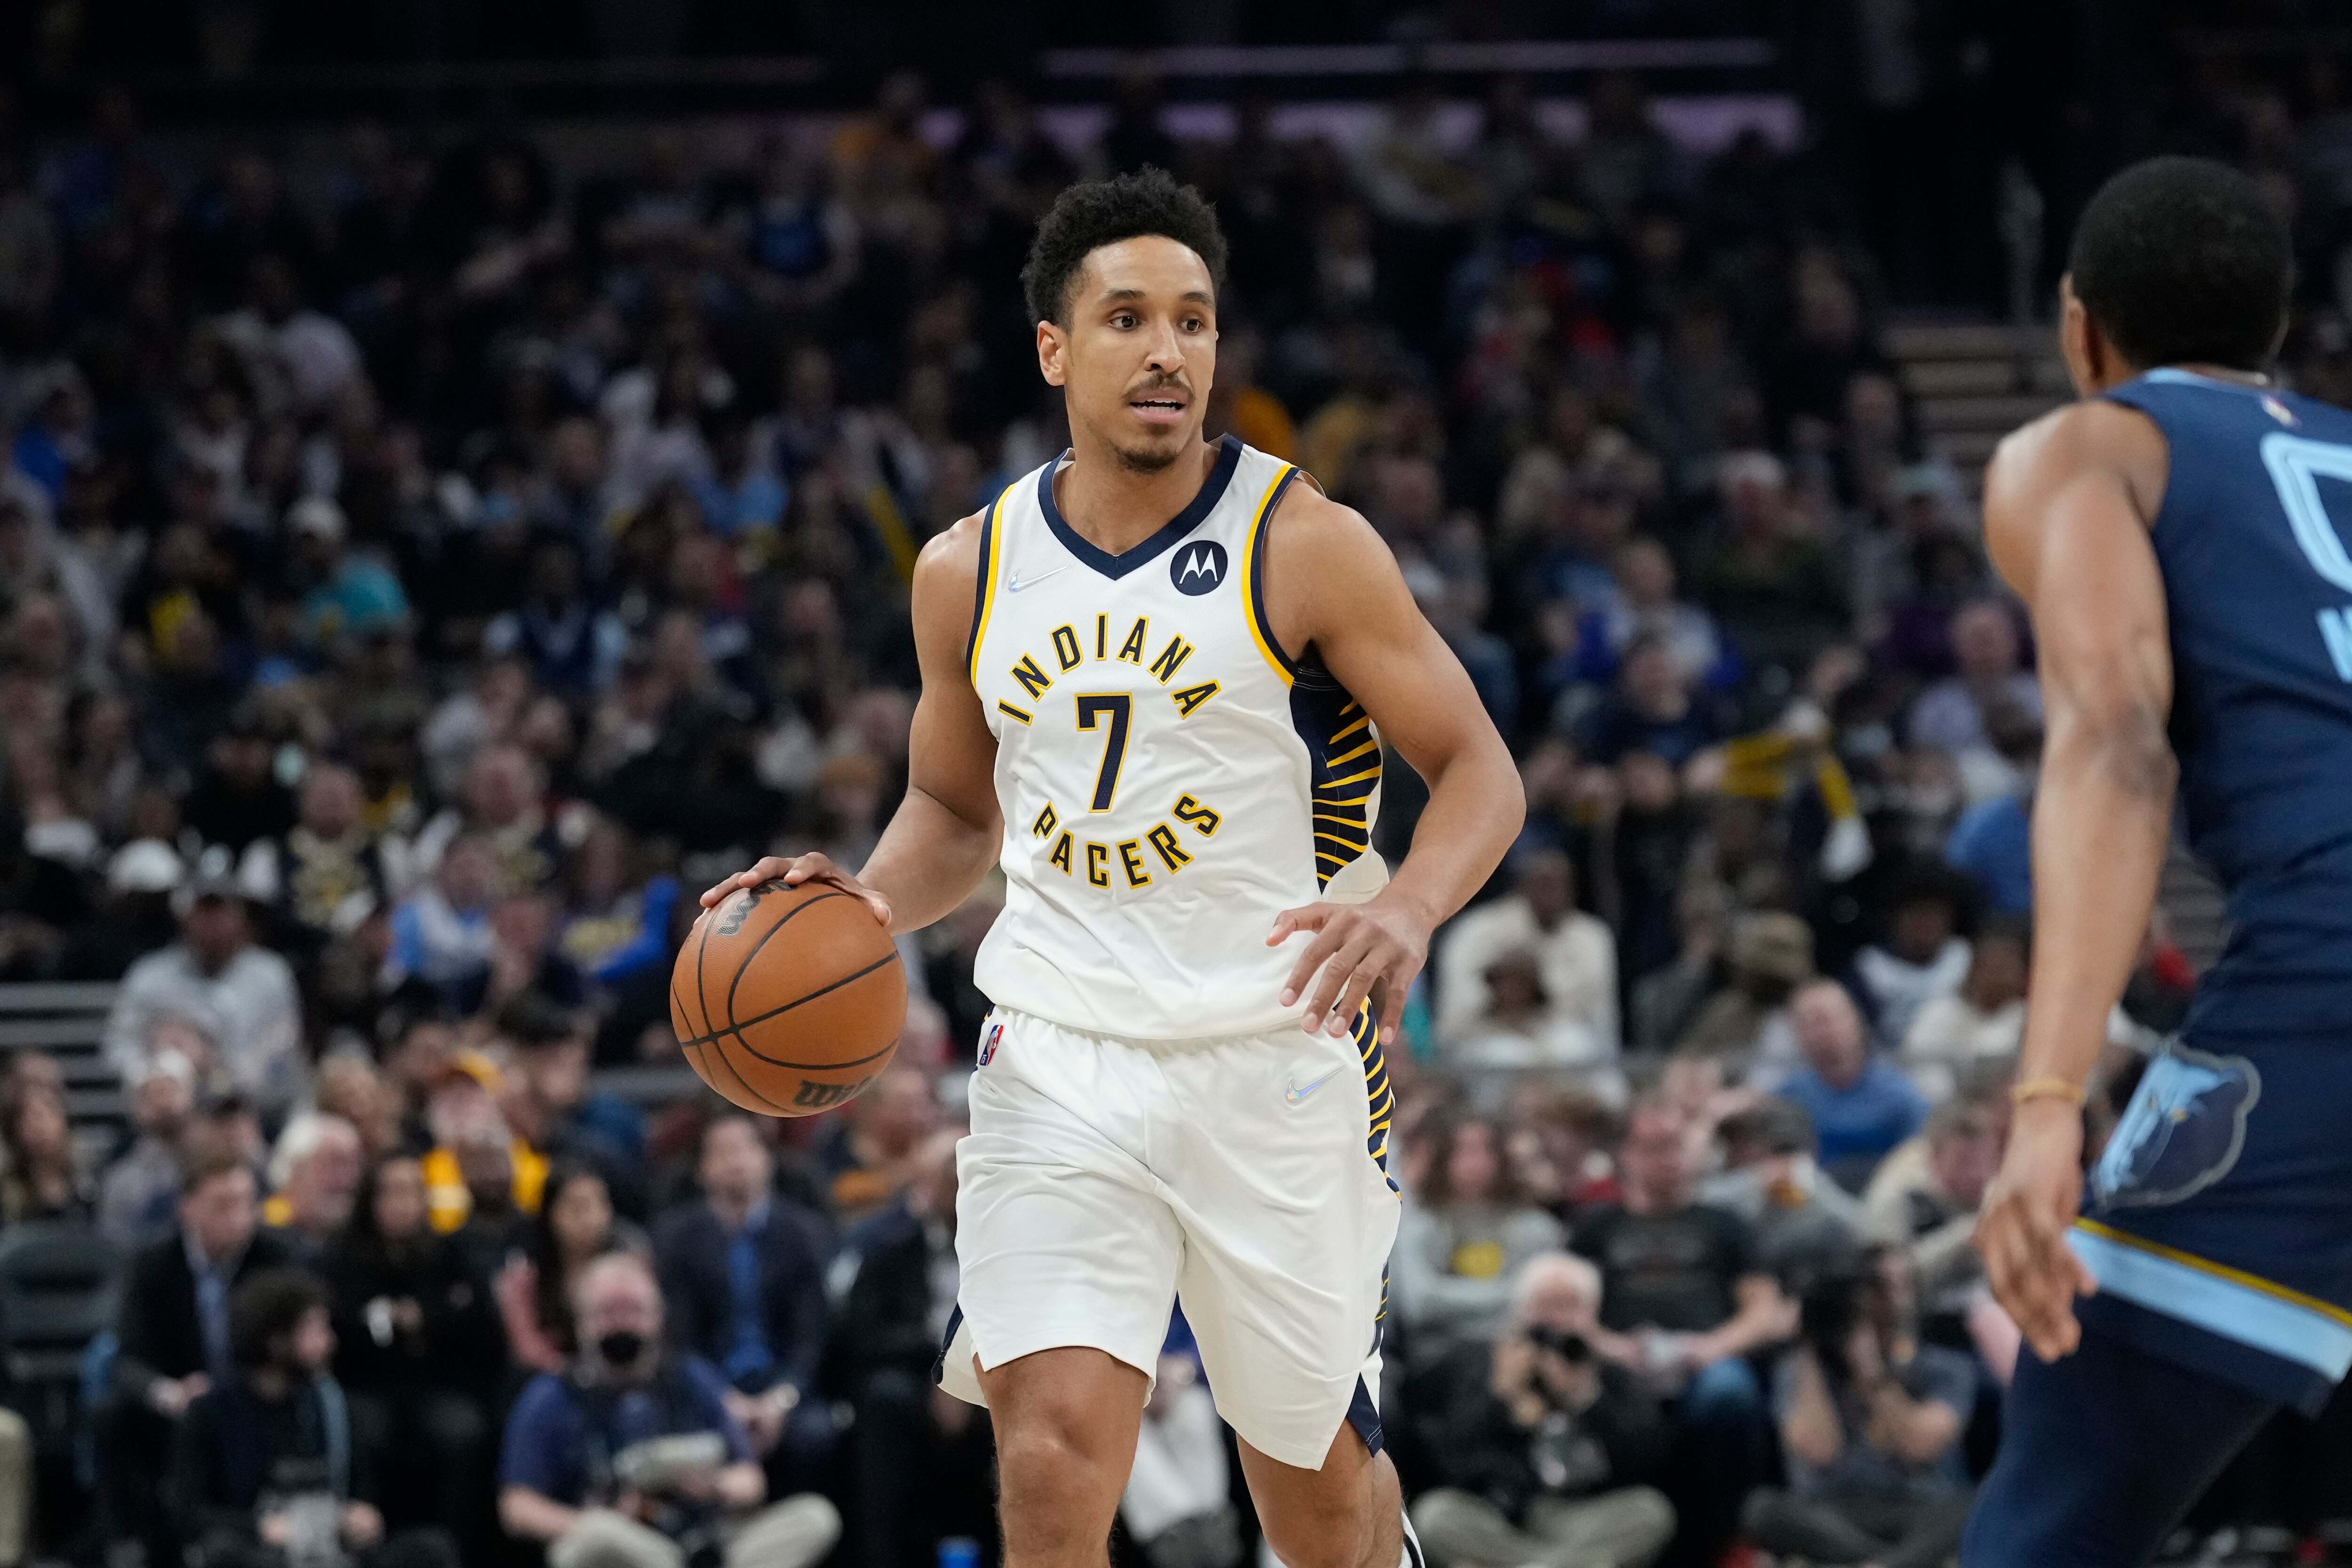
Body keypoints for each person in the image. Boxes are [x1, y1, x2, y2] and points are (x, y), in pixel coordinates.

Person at [703, 167, 1524, 1568]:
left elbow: (1480, 770)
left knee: (1316, 1503)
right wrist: (856, 905)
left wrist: (1406, 904)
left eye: (1193, 323)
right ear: (1053, 348)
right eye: (1129, 318)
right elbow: (954, 812)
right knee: (1050, 1442)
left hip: (1276, 1053)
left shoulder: (1305, 542)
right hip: (1062, 1052)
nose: (1166, 352)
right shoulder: (967, 569)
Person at [1962, 157, 2352, 1566]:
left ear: (2077, 331)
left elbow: (2116, 740)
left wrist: (2048, 1098)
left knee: (2055, 1501)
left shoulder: (2088, 449)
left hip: (2326, 976)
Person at [497, 1251, 841, 1568]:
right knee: (587, 1542)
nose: (621, 1323)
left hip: (707, 1538)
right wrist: (594, 1519)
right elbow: (516, 1506)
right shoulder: (551, 1395)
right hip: (625, 1546)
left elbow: (750, 1481)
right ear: (582, 1321)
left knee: (815, 1516)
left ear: (658, 1315)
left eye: (633, 1310)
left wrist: (714, 1486)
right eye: (607, 1312)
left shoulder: (692, 1378)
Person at [1570, 1100, 1793, 1565]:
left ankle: (1730, 1538)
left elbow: (1763, 1308)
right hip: (1620, 1365)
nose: (1666, 1159)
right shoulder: (1596, 1227)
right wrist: (1615, 1349)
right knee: (1601, 1402)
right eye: (1652, 1148)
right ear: (1625, 1155)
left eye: (1673, 1146)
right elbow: (1569, 1311)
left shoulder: (1722, 1225)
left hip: (1706, 1360)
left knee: (1729, 1394)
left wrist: (1711, 1347)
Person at [167, 1267, 455, 1568]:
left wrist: (361, 1517)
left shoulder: (333, 1405)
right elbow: (186, 1512)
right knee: (224, 1552)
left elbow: (358, 1489)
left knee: (430, 1549)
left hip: (330, 1549)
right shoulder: (211, 1413)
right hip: (261, 1552)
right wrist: (259, 1528)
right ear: (276, 1341)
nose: (329, 1343)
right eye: (315, 1331)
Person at [1408, 1254, 1676, 1568]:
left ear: (1592, 1312)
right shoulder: (1485, 1363)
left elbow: (1647, 1456)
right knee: (1435, 1513)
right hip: (1502, 1514)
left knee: (1651, 1510)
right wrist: (1500, 1397)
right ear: (1523, 1311)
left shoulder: (1607, 1369)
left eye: (1570, 1305)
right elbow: (1455, 1460)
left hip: (1581, 1513)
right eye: (1547, 1305)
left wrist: (1586, 1398)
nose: (1557, 1319)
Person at [103, 1153, 300, 1564]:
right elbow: (127, 1360)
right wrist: (168, 1393)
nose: (240, 1218)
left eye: (248, 1203)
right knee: (111, 1417)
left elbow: (295, 1344)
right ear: (187, 1206)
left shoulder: (275, 1258)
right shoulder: (152, 1263)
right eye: (223, 1204)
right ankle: (133, 1545)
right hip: (180, 1401)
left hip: (255, 1400)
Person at [322, 1155, 506, 1560]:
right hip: (369, 1385)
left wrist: (422, 1319)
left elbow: (480, 1324)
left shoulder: (451, 1253)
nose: (402, 1203)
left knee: (465, 1432)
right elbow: (339, 1327)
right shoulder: (343, 1258)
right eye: (390, 1191)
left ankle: (458, 1549)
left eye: (411, 1191)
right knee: (364, 1432)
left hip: (438, 1384)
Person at [1744, 1249, 1976, 1568]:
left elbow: (1920, 1448)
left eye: (1893, 1289)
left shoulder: (1944, 1365)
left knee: (1975, 1505)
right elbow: (1821, 1452)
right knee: (1763, 1509)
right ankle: (1891, 1562)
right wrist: (1808, 1344)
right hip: (1834, 1510)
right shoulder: (1797, 1370)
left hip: (1919, 1506)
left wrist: (1869, 1369)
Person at [828, 1128, 995, 1568]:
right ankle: (882, 1557)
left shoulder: (1008, 1249)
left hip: (991, 1373)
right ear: (928, 1183)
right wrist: (941, 1366)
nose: (960, 1188)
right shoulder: (889, 1246)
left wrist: (965, 1370)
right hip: (916, 1376)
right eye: (950, 1177)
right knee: (885, 1397)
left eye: (969, 1177)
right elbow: (862, 1334)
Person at [652, 1117, 833, 1487]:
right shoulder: (677, 1239)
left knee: (816, 1436)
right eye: (722, 1151)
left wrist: (780, 1400)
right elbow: (680, 1338)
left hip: (783, 1386)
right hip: (708, 1387)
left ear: (768, 1160)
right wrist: (722, 1400)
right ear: (702, 1169)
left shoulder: (802, 1233)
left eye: (747, 1148)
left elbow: (811, 1335)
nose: (736, 1160)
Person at [103, 871, 305, 1111]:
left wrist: (217, 1069)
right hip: (170, 1110)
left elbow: (283, 1049)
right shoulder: (150, 976)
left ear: (239, 918)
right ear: (184, 918)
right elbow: (118, 1045)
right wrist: (154, 1073)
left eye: (220, 913)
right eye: (203, 913)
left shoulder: (270, 975)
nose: (212, 924)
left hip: (255, 1110)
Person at [1391, 1114, 1565, 1355]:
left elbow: (1545, 1304)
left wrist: (1453, 1301)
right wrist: (1513, 1295)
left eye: (1486, 1151)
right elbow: (1420, 1304)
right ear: (1442, 1159)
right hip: (1439, 1358)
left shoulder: (1537, 1228)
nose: (1475, 1163)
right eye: (1463, 1151)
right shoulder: (1416, 1230)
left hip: (1518, 1350)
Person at [1431, 850, 1618, 1061]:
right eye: (1543, 884)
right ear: (1521, 885)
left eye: (1559, 885)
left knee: (1572, 1046)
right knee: (1504, 1053)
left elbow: (1599, 1021)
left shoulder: (1592, 937)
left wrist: (1538, 1014)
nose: (1552, 895)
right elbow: (1455, 1018)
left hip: (1562, 1048)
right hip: (1485, 1045)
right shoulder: (1477, 931)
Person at [1773, 980, 1928, 1183]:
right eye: (1810, 1023)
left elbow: (1918, 1167)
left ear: (1855, 1019)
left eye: (1829, 1019)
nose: (1824, 1032)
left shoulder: (1902, 1098)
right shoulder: (1788, 1097)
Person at [499, 1162, 642, 1374]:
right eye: (578, 1207)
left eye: (600, 1205)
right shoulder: (524, 1276)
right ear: (550, 1214)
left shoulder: (632, 1268)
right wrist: (573, 1378)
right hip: (553, 1380)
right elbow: (528, 1350)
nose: (592, 1218)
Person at [263, 1112, 366, 1262]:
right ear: (295, 1169)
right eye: (335, 1163)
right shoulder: (261, 1237)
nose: (349, 1179)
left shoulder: (362, 1246)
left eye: (354, 1165)